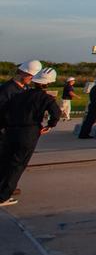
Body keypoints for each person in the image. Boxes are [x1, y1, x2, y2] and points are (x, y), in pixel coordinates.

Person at [0, 67, 60, 206]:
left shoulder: (20, 94)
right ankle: (3, 196)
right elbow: (56, 113)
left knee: (5, 161)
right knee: (17, 165)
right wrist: (50, 125)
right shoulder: (46, 98)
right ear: (49, 83)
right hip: (29, 132)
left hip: (11, 130)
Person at [0, 61, 41, 149]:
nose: (32, 78)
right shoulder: (7, 89)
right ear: (21, 72)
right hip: (6, 133)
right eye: (30, 75)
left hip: (20, 133)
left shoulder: (26, 88)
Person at [79, 74, 96, 139]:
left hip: (93, 106)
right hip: (95, 106)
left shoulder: (95, 87)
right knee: (90, 121)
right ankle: (84, 134)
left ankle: (83, 133)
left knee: (89, 120)